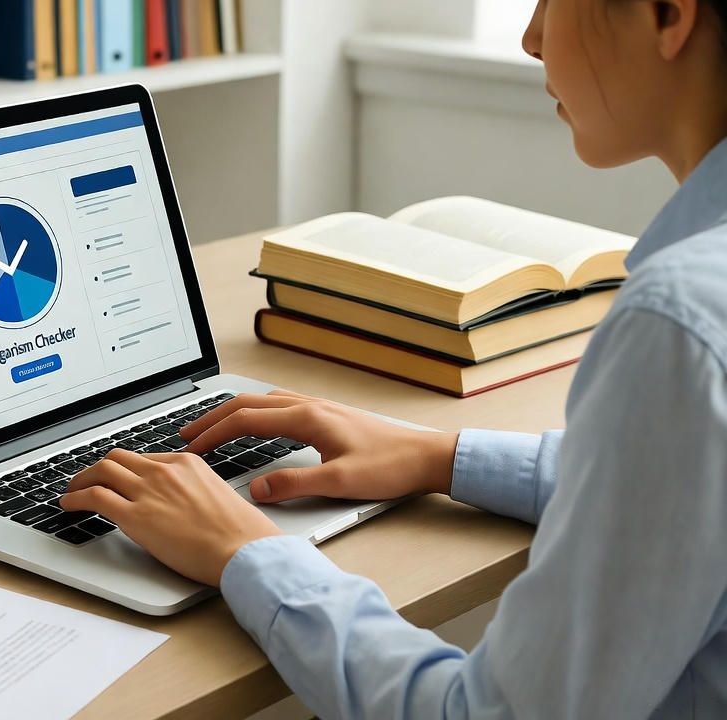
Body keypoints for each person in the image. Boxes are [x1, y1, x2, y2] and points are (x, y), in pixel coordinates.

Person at [59, 0, 727, 716]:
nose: (532, 38)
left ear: (667, 14)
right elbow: (677, 488)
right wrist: (440, 455)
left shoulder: (679, 325)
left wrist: (243, 550)